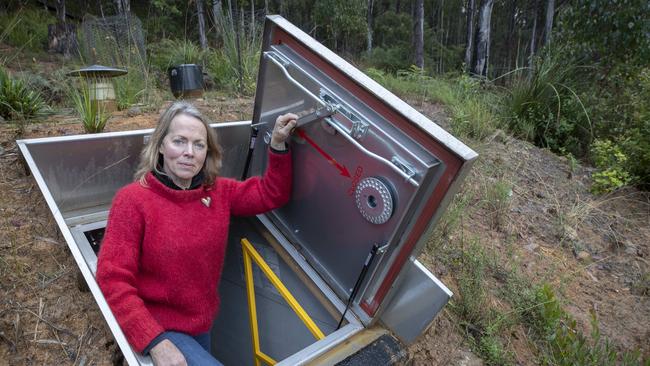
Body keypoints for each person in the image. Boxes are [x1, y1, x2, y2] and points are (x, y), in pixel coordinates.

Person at [96, 101, 297, 366]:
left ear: (207, 152)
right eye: (179, 141)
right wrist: (153, 340)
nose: (189, 152)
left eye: (199, 144)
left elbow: (271, 194)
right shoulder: (133, 200)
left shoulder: (219, 192)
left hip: (202, 325)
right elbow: (112, 279)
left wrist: (278, 145)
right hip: (159, 325)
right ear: (160, 146)